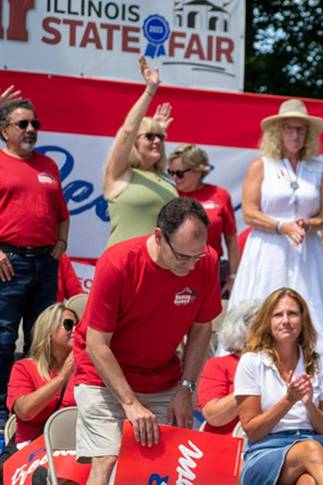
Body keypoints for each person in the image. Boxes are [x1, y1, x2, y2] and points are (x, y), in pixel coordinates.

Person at [72, 198, 221, 484]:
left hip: (161, 377)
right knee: (108, 458)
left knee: (159, 467)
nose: (191, 266)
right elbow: (96, 343)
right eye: (182, 257)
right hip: (103, 375)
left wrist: (186, 388)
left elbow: (202, 328)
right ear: (158, 237)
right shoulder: (118, 263)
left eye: (197, 256)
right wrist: (130, 403)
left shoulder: (206, 261)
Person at [229, 98, 323, 375]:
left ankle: (317, 382)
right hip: (268, 250)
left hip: (306, 252)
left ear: (308, 135)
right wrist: (282, 226)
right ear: (278, 132)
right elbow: (250, 213)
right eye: (290, 129)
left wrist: (308, 224)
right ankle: (249, 382)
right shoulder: (262, 165)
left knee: (309, 309)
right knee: (262, 308)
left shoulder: (320, 169)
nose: (295, 135)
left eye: (301, 130)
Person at [0, 97, 70, 429]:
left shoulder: (48, 165)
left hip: (45, 263)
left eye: (35, 124)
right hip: (8, 262)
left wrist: (61, 243)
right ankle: (3, 410)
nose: (31, 129)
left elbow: (61, 214)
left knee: (41, 339)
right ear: (4, 130)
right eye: (23, 124)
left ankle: (38, 406)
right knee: (2, 337)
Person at [234, 287, 323, 485]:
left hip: (310, 447)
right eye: (277, 315)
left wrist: (309, 405)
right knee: (311, 449)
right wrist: (289, 400)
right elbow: (253, 431)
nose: (285, 320)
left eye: (292, 313)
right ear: (268, 321)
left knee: (308, 482)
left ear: (303, 319)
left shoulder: (320, 363)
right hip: (264, 451)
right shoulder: (252, 362)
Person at [103, 56, 177, 248]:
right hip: (124, 265)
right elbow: (128, 131)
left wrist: (156, 130)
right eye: (149, 137)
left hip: (159, 267)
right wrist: (149, 91)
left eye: (160, 137)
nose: (157, 141)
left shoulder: (165, 178)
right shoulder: (120, 173)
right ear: (134, 144)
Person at [168, 144, 239, 295]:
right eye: (171, 172)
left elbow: (231, 239)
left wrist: (233, 276)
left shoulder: (220, 194)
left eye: (180, 173)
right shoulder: (168, 194)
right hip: (176, 271)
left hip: (213, 272)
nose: (174, 178)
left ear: (198, 171)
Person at [7, 303, 77, 447]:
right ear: (49, 330)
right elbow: (25, 411)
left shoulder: (87, 369)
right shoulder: (24, 368)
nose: (76, 329)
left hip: (74, 449)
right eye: (68, 324)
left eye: (78, 325)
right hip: (32, 452)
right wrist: (62, 376)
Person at [197, 299, 259, 434]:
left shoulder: (282, 364)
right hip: (228, 446)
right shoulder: (219, 365)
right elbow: (214, 417)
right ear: (242, 330)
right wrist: (252, 385)